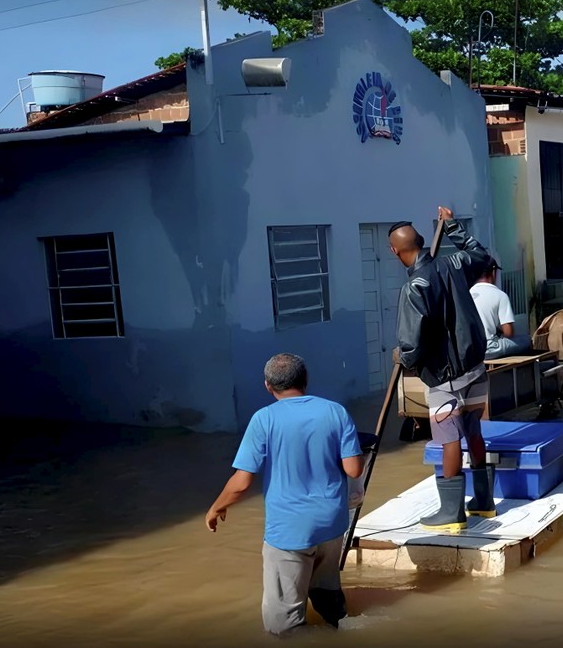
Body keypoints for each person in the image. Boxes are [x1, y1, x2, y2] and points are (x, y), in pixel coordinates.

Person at [204, 353, 364, 637]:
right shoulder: (335, 411)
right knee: (328, 596)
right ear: (305, 380)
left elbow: (241, 483)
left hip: (289, 532)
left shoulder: (263, 419)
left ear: (268, 386)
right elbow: (353, 469)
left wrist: (216, 508)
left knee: (283, 629)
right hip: (332, 525)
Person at [389, 207, 497, 530]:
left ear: (396, 253)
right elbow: (480, 254)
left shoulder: (414, 288)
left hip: (444, 376)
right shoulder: (454, 263)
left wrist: (402, 358)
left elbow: (411, 344)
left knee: (449, 439)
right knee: (473, 430)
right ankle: (484, 502)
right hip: (475, 366)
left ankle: (452, 513)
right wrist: (451, 226)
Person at [469, 254, 533, 360]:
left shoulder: (468, 294)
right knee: (526, 340)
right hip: (490, 349)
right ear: (493, 272)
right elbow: (509, 333)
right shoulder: (500, 295)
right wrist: (499, 329)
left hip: (471, 350)